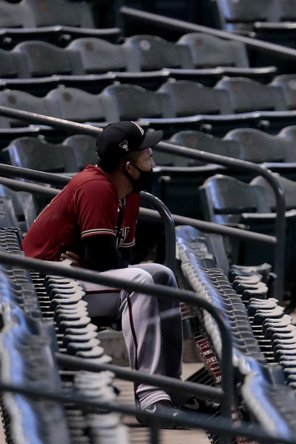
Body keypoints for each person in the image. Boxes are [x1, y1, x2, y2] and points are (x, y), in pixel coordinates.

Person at [22, 121, 188, 426]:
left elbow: (114, 258)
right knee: (140, 283)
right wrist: (96, 262)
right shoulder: (96, 187)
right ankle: (150, 401)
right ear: (128, 166)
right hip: (45, 286)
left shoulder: (129, 193)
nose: (152, 158)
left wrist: (95, 262)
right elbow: (105, 261)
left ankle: (171, 392)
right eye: (146, 154)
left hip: (76, 280)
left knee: (161, 275)